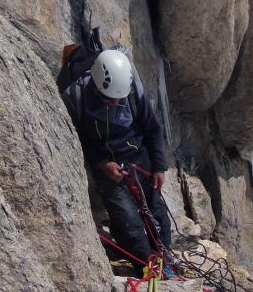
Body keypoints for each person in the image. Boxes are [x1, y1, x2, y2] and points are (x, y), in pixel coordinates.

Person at [60, 49, 171, 271]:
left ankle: (164, 256)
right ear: (97, 86)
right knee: (130, 222)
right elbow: (72, 139)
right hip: (105, 167)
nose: (113, 103)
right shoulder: (75, 98)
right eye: (108, 98)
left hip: (137, 156)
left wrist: (159, 167)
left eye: (117, 98)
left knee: (156, 211)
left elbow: (153, 130)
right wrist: (102, 162)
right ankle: (147, 266)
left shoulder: (132, 93)